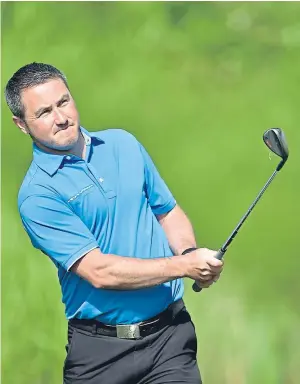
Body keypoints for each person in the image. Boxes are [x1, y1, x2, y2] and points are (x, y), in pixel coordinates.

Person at [5, 62, 224, 384]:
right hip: (100, 354)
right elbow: (99, 271)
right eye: (44, 112)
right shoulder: (38, 195)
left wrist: (189, 252)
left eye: (64, 102)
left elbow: (167, 210)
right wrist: (184, 265)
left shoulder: (123, 144)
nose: (61, 117)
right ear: (22, 124)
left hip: (170, 338)